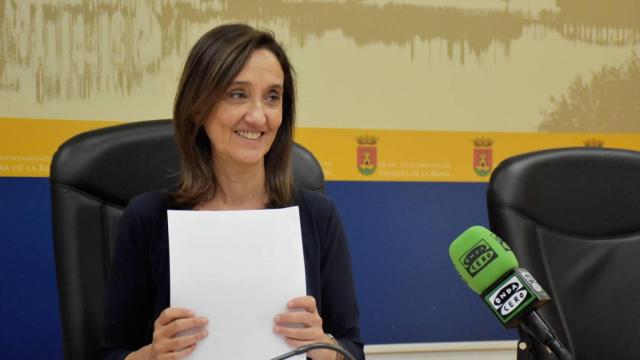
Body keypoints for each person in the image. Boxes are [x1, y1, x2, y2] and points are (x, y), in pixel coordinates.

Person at [100, 23, 364, 360]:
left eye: (272, 97)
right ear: (198, 108)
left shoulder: (317, 216)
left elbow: (353, 350)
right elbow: (111, 353)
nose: (258, 116)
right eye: (237, 94)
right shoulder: (147, 218)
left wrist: (326, 348)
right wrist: (152, 355)